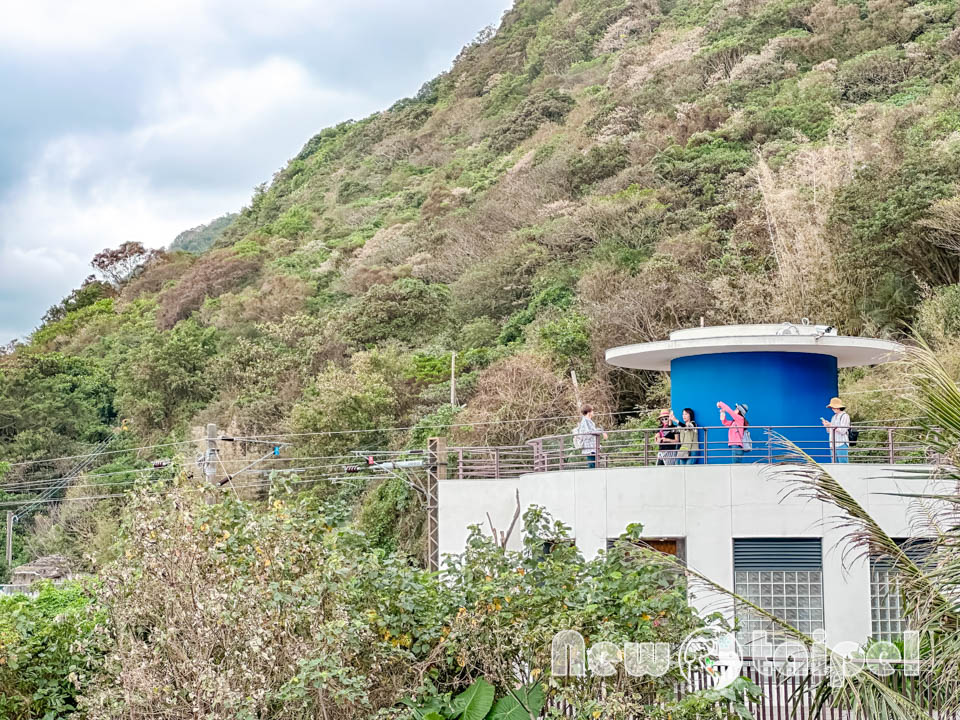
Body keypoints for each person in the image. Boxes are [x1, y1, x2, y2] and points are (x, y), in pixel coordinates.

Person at [574, 405, 607, 469]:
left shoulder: (587, 421)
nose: (593, 412)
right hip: (589, 447)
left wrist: (601, 431)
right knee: (592, 465)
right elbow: (590, 432)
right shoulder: (585, 421)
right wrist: (602, 432)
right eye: (592, 411)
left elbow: (592, 430)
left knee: (594, 464)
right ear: (589, 412)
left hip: (592, 447)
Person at [821, 397, 851, 463]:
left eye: (833, 407)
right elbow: (829, 431)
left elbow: (843, 430)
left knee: (843, 463)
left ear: (838, 407)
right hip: (832, 443)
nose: (832, 409)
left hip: (841, 443)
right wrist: (827, 426)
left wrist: (830, 425)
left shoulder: (845, 416)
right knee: (834, 464)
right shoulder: (833, 417)